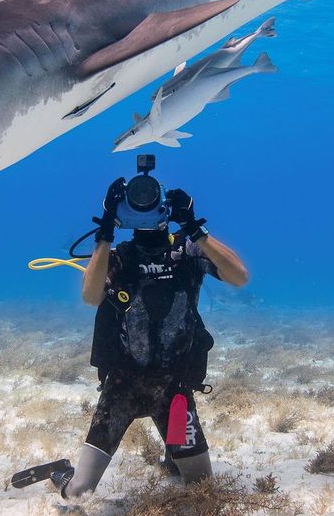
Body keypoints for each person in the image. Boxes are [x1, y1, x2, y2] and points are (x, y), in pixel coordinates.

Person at [51, 178, 250, 498]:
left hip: (175, 387)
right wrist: (104, 232)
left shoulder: (187, 250)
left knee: (202, 490)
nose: (143, 207)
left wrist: (196, 229)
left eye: (150, 200)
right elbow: (90, 296)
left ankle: (175, 456)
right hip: (122, 386)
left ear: (167, 208)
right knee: (79, 492)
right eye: (135, 202)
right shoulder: (116, 258)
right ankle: (61, 473)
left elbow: (239, 276)